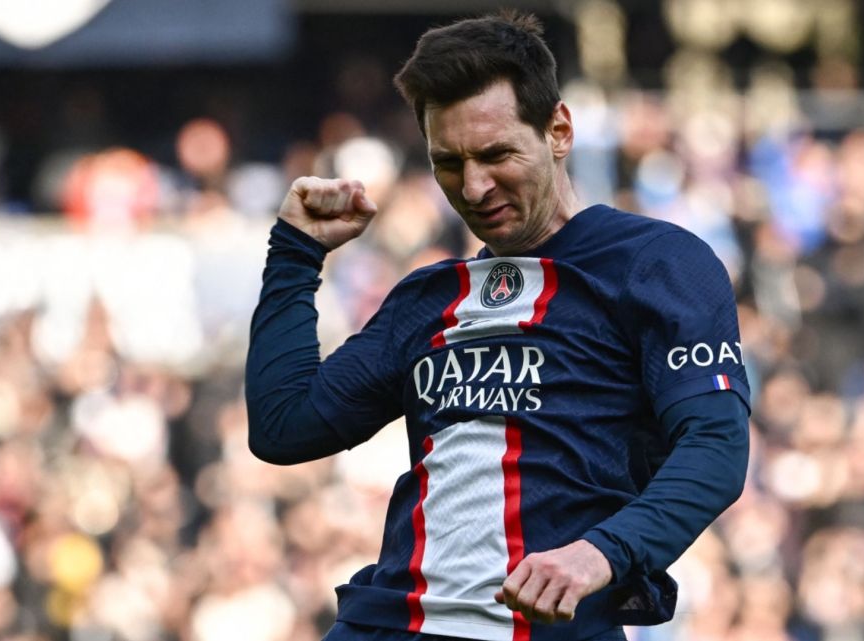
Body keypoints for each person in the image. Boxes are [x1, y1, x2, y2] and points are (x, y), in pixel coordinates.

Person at [246, 10, 750, 641]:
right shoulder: (428, 298)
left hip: (552, 628)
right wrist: (295, 253)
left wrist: (601, 553)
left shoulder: (654, 263)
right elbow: (283, 426)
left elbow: (716, 446)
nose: (474, 186)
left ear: (558, 131)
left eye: (495, 154)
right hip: (389, 623)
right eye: (448, 162)